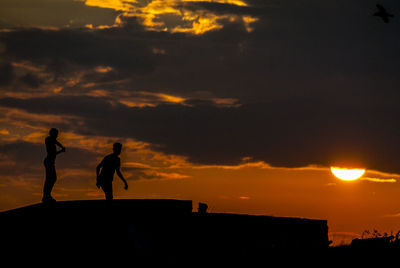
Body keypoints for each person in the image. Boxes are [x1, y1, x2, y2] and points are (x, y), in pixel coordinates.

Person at [43, 128, 66, 203]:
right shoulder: (49, 139)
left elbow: (56, 143)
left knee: (51, 178)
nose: (57, 136)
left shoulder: (52, 141)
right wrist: (61, 150)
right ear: (52, 134)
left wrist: (61, 147)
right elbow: (53, 153)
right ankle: (46, 196)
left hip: (51, 162)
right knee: (51, 178)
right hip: (49, 161)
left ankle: (47, 195)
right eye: (56, 134)